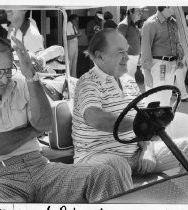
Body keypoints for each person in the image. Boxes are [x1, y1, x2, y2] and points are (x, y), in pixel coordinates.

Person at [0, 36, 123, 203]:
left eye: (8, 70)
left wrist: (31, 75)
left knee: (103, 174)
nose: (4, 79)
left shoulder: (24, 84)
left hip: (39, 167)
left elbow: (45, 123)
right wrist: (32, 130)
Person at [72, 28, 188, 188]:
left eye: (126, 51)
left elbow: (144, 123)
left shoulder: (129, 81)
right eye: (120, 52)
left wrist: (148, 150)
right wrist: (142, 124)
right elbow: (95, 118)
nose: (127, 57)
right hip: (95, 156)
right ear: (99, 56)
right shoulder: (87, 82)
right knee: (118, 164)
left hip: (135, 154)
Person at [141, 6, 184, 106]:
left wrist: (179, 58)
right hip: (157, 64)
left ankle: (162, 120)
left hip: (171, 64)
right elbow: (145, 47)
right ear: (166, 6)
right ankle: (150, 120)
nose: (177, 7)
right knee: (154, 95)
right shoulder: (150, 23)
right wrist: (147, 71)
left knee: (167, 94)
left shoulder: (173, 22)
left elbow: (176, 42)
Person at [118, 6, 143, 78]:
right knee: (126, 81)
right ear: (131, 12)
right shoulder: (123, 25)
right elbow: (118, 43)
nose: (140, 13)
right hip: (128, 58)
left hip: (133, 58)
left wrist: (139, 55)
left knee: (130, 80)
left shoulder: (133, 25)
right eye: (138, 11)